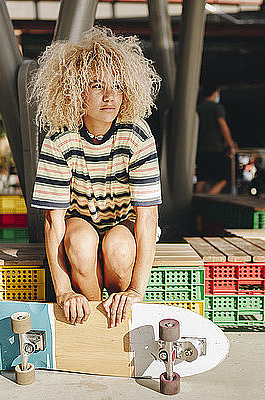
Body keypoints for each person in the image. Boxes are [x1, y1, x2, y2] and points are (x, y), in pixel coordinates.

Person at [29, 27, 162, 328]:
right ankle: (90, 313)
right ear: (76, 90)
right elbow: (54, 221)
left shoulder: (137, 134)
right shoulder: (59, 138)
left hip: (123, 224)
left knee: (117, 248)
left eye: (117, 85)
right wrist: (63, 291)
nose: (110, 95)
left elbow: (148, 216)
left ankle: (119, 307)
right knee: (79, 242)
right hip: (81, 221)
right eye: (97, 85)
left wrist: (136, 291)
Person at [195, 82, 237, 194]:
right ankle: (207, 199)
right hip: (215, 148)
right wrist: (230, 144)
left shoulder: (198, 109)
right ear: (215, 93)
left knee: (201, 180)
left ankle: (196, 204)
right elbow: (223, 126)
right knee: (223, 179)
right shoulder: (217, 108)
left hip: (200, 149)